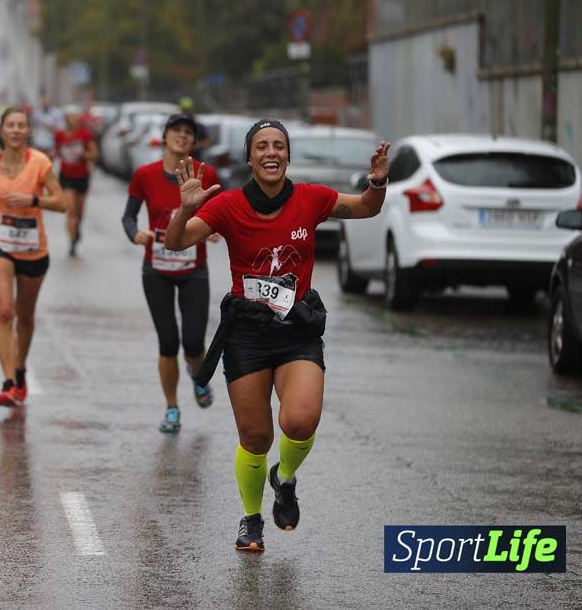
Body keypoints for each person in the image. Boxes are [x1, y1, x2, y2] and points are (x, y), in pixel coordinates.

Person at [164, 119, 390, 552]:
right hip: (246, 333)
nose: (271, 153)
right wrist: (187, 208)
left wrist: (377, 182)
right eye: (262, 146)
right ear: (249, 157)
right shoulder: (227, 205)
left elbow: (365, 207)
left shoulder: (311, 199)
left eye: (279, 146)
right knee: (255, 437)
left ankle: (284, 479)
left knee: (300, 420)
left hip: (296, 328)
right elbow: (177, 242)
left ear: (288, 155)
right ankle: (251, 519)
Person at [122, 114, 221, 433]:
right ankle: (172, 408)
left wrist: (217, 230)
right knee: (168, 343)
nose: (181, 137)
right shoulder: (145, 175)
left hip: (194, 270)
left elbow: (222, 213)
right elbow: (128, 216)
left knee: (193, 343)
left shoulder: (207, 174)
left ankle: (198, 378)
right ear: (163, 137)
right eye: (175, 131)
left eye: (188, 133)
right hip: (157, 270)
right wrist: (135, 233)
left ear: (194, 142)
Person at [0, 106, 67, 407]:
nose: (15, 130)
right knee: (4, 311)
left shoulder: (39, 163)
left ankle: (20, 367)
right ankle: (9, 382)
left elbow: (61, 202)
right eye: (10, 125)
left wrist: (32, 199)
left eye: (21, 125)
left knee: (25, 316)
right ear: (1, 130)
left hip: (34, 249)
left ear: (28, 131)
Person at [54, 107, 98, 256]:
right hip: (66, 176)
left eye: (74, 117)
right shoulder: (59, 135)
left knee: (79, 212)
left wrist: (83, 154)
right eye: (69, 117)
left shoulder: (85, 134)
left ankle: (77, 229)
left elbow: (94, 154)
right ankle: (72, 241)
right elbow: (56, 151)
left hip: (82, 176)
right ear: (65, 118)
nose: (72, 120)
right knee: (71, 210)